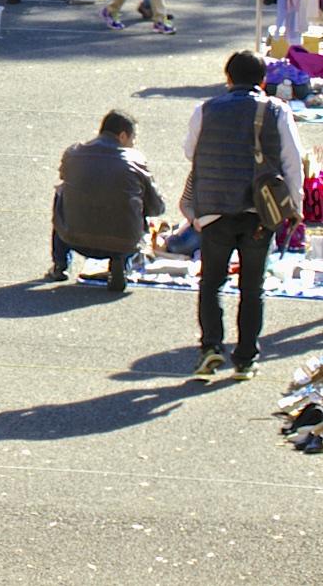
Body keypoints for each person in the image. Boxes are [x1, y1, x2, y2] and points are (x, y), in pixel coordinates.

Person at [182, 51, 308, 378]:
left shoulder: (205, 109)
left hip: (213, 210)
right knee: (252, 288)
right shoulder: (277, 110)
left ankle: (211, 347)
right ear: (263, 81)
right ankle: (245, 358)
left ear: (228, 78)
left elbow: (190, 151)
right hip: (259, 212)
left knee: (211, 282)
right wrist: (294, 206)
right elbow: (292, 161)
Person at [46, 109, 163, 293]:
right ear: (123, 136)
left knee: (62, 192)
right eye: (134, 137)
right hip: (122, 242)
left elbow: (65, 178)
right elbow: (156, 207)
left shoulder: (73, 154)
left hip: (74, 237)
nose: (135, 143)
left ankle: (61, 264)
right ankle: (120, 263)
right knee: (136, 201)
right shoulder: (135, 161)